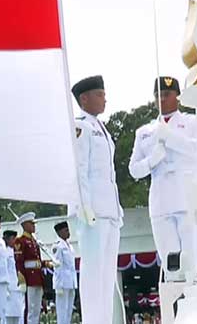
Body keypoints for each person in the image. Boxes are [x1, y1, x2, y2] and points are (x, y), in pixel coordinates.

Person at [128, 77, 197, 271]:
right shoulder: (145, 132)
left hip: (186, 198)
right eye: (158, 95)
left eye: (167, 95)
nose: (161, 99)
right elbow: (134, 169)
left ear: (178, 96)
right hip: (161, 201)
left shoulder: (192, 122)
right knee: (170, 263)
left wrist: (171, 138)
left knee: (193, 261)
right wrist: (152, 159)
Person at [72, 75, 123, 323]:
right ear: (85, 98)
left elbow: (109, 175)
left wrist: (117, 210)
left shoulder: (100, 128)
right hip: (92, 211)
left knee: (107, 276)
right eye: (100, 94)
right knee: (93, 276)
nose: (105, 99)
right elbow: (79, 169)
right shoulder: (81, 125)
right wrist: (83, 206)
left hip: (109, 211)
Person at [14, 212, 45, 324]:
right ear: (25, 225)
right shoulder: (20, 241)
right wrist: (22, 279)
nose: (34, 226)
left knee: (37, 308)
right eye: (31, 224)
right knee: (30, 308)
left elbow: (38, 260)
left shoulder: (34, 241)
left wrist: (45, 265)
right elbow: (19, 261)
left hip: (37, 277)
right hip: (29, 277)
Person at [50, 222, 77, 324]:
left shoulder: (69, 245)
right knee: (62, 311)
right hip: (62, 283)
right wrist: (58, 286)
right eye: (66, 230)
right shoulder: (57, 246)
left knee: (69, 310)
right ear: (60, 232)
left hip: (71, 282)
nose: (68, 232)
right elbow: (57, 267)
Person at [2, 230, 24, 324]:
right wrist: (5, 288)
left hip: (17, 287)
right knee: (8, 316)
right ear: (8, 239)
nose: (15, 241)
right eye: (13, 239)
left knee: (17, 314)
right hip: (9, 288)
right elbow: (4, 270)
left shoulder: (16, 252)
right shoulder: (4, 252)